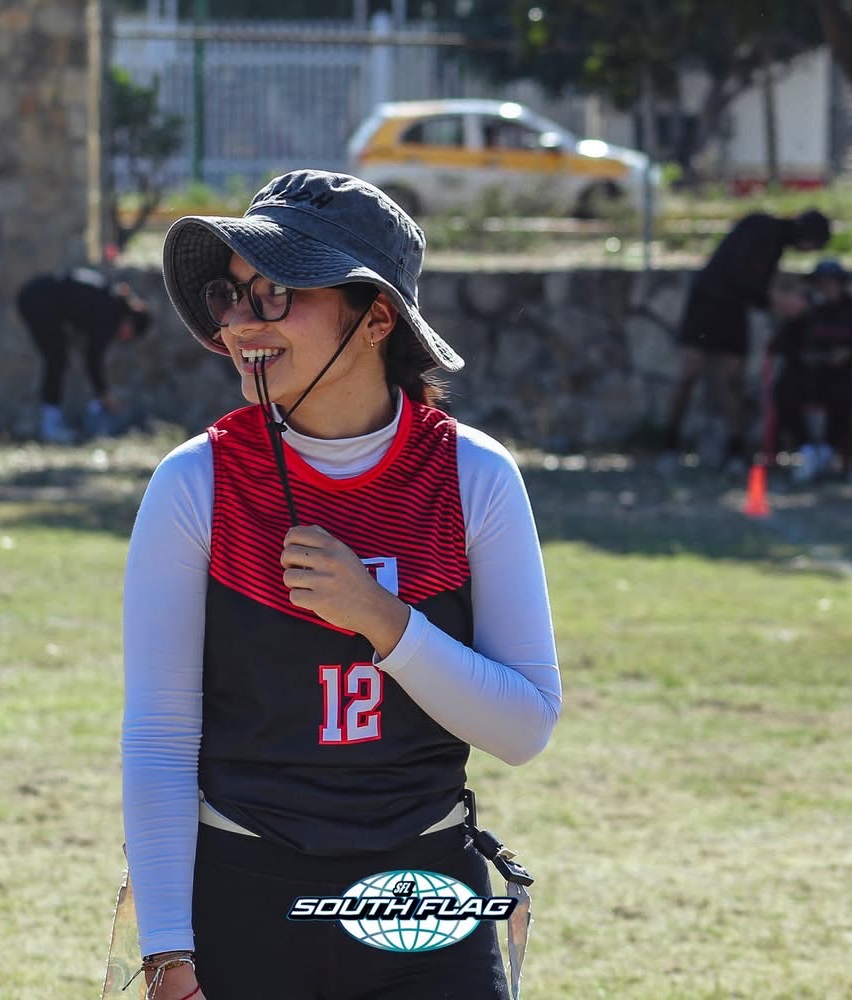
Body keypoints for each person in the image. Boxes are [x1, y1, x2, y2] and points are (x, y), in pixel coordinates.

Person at [121, 169, 562, 1000]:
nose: (241, 322)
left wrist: (382, 619)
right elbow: (159, 736)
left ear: (377, 319)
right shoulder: (194, 482)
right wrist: (168, 954)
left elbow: (524, 728)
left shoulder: (474, 475)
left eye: (277, 293)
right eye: (231, 294)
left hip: (424, 894)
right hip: (241, 891)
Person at [658, 207, 832, 474]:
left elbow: (753, 286)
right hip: (707, 303)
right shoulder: (761, 227)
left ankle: (735, 449)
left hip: (733, 309)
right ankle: (668, 444)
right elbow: (742, 276)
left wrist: (778, 301)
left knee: (732, 380)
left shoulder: (776, 244)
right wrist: (778, 302)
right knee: (689, 373)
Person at [764, 260, 852, 482]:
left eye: (830, 283)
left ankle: (827, 451)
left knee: (842, 395)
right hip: (805, 375)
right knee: (785, 391)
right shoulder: (806, 309)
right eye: (821, 284)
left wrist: (846, 354)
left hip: (838, 375)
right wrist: (793, 318)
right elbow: (781, 345)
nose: (825, 288)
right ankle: (806, 450)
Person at [15, 267, 150, 443]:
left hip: (37, 295)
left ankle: (51, 422)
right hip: (38, 299)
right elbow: (92, 358)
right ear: (129, 324)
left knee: (57, 358)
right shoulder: (112, 313)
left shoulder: (111, 300)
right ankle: (50, 426)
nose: (124, 338)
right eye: (130, 335)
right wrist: (104, 395)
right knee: (56, 359)